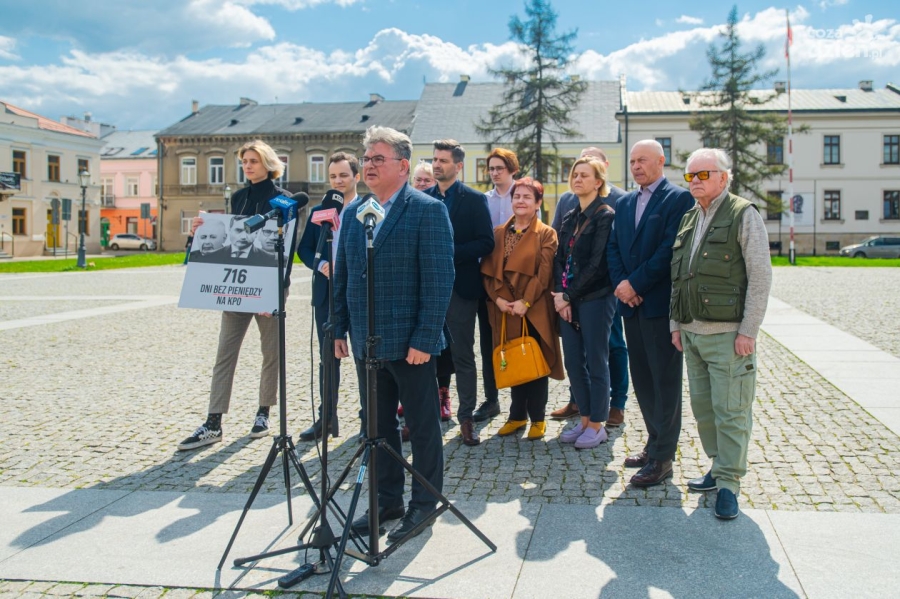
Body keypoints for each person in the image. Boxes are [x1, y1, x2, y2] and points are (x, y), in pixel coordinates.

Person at [333, 125, 454, 542]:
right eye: (366, 158)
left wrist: (425, 337)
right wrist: (339, 326)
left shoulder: (427, 210)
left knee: (422, 427)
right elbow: (345, 274)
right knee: (377, 427)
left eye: (377, 159)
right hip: (366, 340)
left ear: (403, 166)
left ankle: (425, 503)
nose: (368, 165)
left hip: (410, 343)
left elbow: (439, 280)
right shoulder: (356, 212)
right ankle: (387, 501)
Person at [671, 148, 772, 520]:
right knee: (704, 410)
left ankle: (729, 483)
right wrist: (675, 324)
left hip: (729, 335)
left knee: (731, 411)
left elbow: (760, 276)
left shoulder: (743, 214)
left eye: (703, 174)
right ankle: (717, 466)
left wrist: (749, 330)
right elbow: (678, 275)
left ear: (723, 178)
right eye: (690, 176)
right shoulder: (689, 218)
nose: (695, 181)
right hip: (692, 333)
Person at [178, 139, 295, 451]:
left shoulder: (284, 200)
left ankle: (263, 412)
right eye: (245, 161)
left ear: (268, 164)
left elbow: (288, 248)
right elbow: (231, 239)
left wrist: (276, 293)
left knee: (271, 352)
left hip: (269, 288)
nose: (248, 166)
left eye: (253, 161)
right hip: (237, 289)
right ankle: (213, 422)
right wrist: (201, 231)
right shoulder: (239, 197)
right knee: (225, 353)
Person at [607, 140, 695, 485]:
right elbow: (614, 247)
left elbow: (669, 250)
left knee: (665, 382)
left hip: (658, 305)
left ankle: (663, 457)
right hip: (631, 307)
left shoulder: (678, 199)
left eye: (642, 160)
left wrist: (636, 284)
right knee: (643, 379)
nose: (636, 166)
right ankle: (653, 441)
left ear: (661, 161)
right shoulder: (625, 202)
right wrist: (621, 284)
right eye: (632, 161)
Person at [549, 147, 629, 428]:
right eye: (575, 175)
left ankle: (597, 423)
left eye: (584, 175)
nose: (578, 179)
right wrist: (560, 295)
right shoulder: (570, 215)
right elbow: (559, 257)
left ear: (598, 181)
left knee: (598, 361)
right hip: (569, 300)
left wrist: (568, 295)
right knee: (574, 362)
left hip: (596, 298)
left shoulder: (606, 214)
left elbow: (598, 265)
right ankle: (583, 419)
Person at [424, 139, 494, 446]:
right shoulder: (422, 198)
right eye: (435, 159)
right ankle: (423, 417)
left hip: (461, 289)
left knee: (463, 354)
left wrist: (450, 252)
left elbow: (486, 242)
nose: (437, 164)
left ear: (459, 166)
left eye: (443, 160)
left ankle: (466, 419)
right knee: (423, 354)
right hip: (427, 289)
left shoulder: (474, 200)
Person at [481, 177, 563, 439]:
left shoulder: (546, 233)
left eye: (527, 197)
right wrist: (498, 299)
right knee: (514, 361)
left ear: (538, 203)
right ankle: (516, 416)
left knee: (535, 362)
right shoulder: (498, 232)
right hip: (505, 309)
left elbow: (544, 272)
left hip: (534, 307)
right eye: (517, 196)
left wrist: (525, 301)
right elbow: (487, 273)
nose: (520, 201)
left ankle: (538, 418)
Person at [297, 152, 360, 441]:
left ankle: (369, 419)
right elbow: (304, 249)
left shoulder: (367, 209)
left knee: (364, 357)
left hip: (357, 292)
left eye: (343, 175)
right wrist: (321, 264)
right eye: (333, 176)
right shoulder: (320, 211)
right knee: (327, 359)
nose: (338, 181)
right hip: (327, 292)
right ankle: (327, 418)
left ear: (356, 177)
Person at [472, 148, 519, 423]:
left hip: (516, 281)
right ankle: (491, 399)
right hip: (488, 279)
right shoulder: (483, 200)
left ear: (512, 169)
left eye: (500, 168)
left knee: (516, 339)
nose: (494, 172)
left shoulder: (522, 195)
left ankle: (520, 401)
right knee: (488, 341)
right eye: (491, 168)